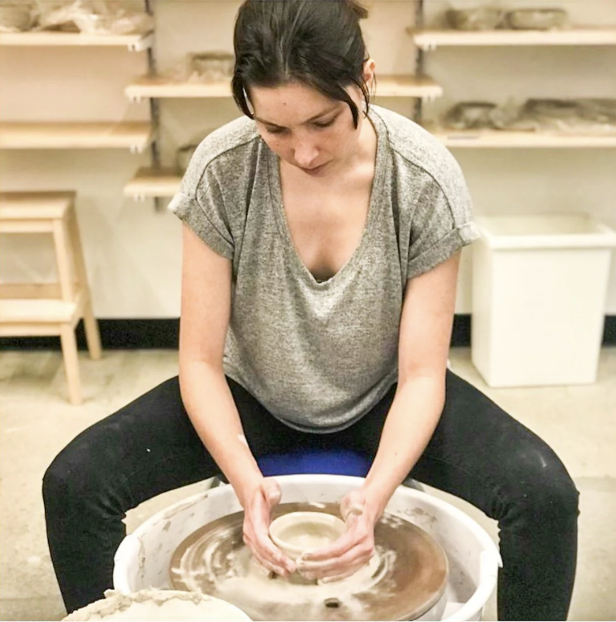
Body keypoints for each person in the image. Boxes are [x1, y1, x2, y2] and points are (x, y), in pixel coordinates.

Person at [43, 0, 579, 619]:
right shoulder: (222, 170)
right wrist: (246, 484)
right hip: (254, 392)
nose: (303, 152)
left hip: (384, 393)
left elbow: (423, 374)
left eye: (323, 122)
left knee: (544, 495)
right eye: (274, 129)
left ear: (366, 79)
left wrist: (374, 499)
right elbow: (200, 362)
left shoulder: (424, 178)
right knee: (74, 484)